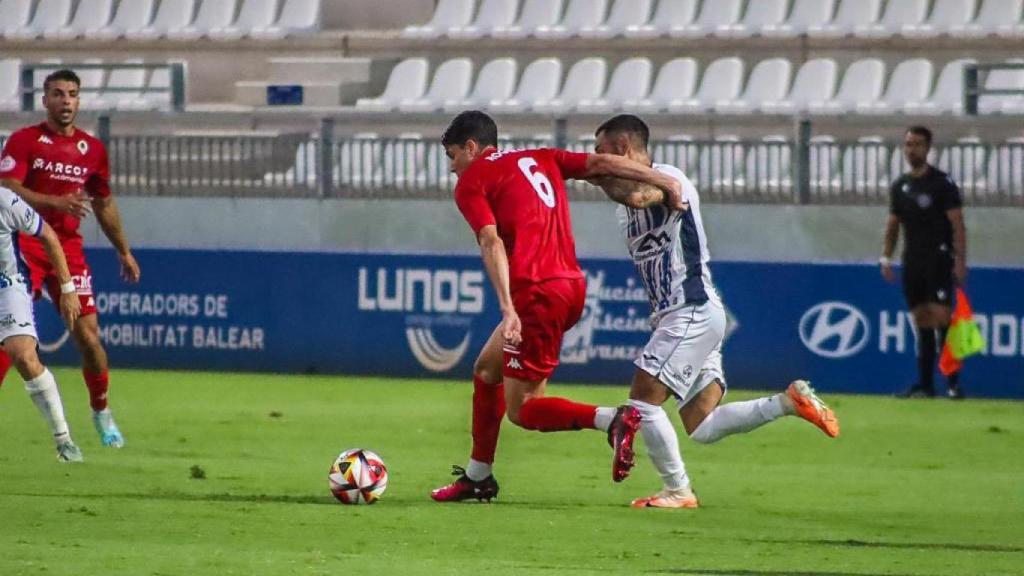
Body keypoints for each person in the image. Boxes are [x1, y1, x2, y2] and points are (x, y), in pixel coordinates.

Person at [430, 110, 686, 502]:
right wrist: (662, 179)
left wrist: (508, 309)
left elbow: (490, 241)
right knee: (486, 369)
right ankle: (478, 476)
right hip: (570, 286)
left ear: (472, 147)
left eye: (453, 156)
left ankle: (612, 420)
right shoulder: (540, 156)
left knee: (524, 410)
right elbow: (600, 163)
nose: (452, 168)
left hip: (536, 295)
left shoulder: (472, 181)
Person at [592, 115, 840, 509]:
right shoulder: (623, 208)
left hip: (688, 310)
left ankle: (678, 491)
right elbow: (628, 198)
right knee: (701, 425)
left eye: (600, 151)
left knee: (641, 402)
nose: (596, 158)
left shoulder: (668, 177)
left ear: (623, 147)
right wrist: (599, 175)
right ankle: (788, 402)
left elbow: (640, 195)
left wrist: (588, 172)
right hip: (688, 313)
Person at [0, 69, 141, 447]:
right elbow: (7, 187)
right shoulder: (24, 141)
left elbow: (104, 202)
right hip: (23, 245)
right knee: (13, 338)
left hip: (68, 249)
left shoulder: (92, 150)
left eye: (72, 94)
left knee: (89, 337)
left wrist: (123, 250)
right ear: (44, 99)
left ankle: (101, 410)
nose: (66, 101)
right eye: (58, 94)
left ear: (79, 100)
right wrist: (55, 202)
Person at [881, 126, 967, 400]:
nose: (911, 149)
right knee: (921, 322)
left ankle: (953, 384)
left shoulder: (942, 183)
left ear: (928, 148)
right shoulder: (900, 186)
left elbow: (957, 224)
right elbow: (893, 225)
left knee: (943, 319)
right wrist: (886, 256)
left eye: (917, 144)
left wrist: (960, 260)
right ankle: (926, 385)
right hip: (913, 261)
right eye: (907, 144)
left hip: (939, 259)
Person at [0, 184, 83, 461]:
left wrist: (68, 289)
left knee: (24, 357)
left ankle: (64, 441)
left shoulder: (6, 201)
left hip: (7, 285)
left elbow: (47, 234)